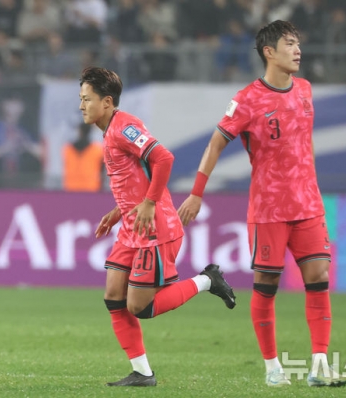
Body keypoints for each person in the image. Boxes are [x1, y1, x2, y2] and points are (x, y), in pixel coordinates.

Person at [177, 20, 346, 388]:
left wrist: (312, 182)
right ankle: (273, 367)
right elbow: (215, 144)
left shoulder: (305, 89)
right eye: (290, 43)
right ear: (269, 52)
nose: (298, 50)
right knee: (266, 283)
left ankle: (319, 365)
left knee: (318, 278)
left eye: (298, 43)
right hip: (269, 209)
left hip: (309, 205)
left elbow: (305, 142)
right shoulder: (247, 100)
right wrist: (196, 192)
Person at [79, 66, 236, 387]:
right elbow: (135, 180)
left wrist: (149, 203)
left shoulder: (125, 127)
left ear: (107, 102)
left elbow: (163, 158)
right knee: (113, 296)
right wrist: (118, 211)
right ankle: (142, 373)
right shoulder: (109, 130)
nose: (81, 106)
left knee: (139, 307)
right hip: (132, 226)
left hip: (155, 229)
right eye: (80, 99)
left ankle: (208, 280)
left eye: (86, 99)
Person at [62, 122, 105, 192]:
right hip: (91, 189)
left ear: (79, 132)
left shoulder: (67, 149)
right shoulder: (98, 150)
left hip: (70, 189)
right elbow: (102, 173)